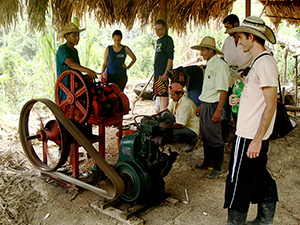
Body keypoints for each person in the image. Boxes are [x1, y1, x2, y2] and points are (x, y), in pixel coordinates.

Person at [223, 16, 278, 225]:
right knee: (257, 175)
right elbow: (258, 98)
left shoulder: (265, 63)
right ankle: (265, 220)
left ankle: (235, 222)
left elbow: (271, 104)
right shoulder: (258, 62)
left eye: (240, 37)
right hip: (250, 134)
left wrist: (257, 139)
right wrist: (239, 98)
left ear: (251, 37)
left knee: (238, 180)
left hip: (249, 136)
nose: (238, 41)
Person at [191, 36, 230, 179]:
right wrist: (202, 104)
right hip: (207, 104)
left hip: (214, 105)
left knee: (214, 137)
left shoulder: (220, 65)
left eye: (203, 50)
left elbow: (223, 90)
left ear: (211, 50)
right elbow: (209, 89)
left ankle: (218, 167)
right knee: (206, 135)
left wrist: (219, 109)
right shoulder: (210, 65)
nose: (201, 53)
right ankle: (208, 161)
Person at [221, 14, 253, 142]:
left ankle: (240, 133)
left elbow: (263, 54)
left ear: (235, 25)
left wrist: (249, 68)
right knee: (225, 104)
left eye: (228, 27)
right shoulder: (228, 41)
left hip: (242, 78)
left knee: (239, 106)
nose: (226, 31)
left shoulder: (246, 39)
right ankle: (225, 134)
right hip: (229, 77)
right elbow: (223, 57)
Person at [56, 23, 100, 99]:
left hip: (74, 86)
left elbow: (77, 68)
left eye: (78, 36)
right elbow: (72, 65)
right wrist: (87, 70)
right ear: (67, 36)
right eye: (74, 36)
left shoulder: (74, 51)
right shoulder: (62, 49)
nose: (77, 38)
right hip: (65, 88)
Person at [154, 83, 199, 153]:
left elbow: (179, 125)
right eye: (170, 94)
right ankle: (172, 136)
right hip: (181, 122)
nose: (171, 97)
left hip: (191, 128)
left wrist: (164, 128)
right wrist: (155, 115)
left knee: (172, 132)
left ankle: (191, 141)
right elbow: (167, 110)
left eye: (173, 95)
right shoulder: (176, 99)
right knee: (164, 114)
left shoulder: (185, 105)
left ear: (180, 94)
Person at [154, 19, 175, 111]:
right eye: (156, 29)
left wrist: (166, 72)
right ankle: (161, 114)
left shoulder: (168, 40)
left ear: (164, 29)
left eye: (160, 29)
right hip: (157, 72)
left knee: (164, 95)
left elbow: (170, 57)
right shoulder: (159, 41)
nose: (158, 32)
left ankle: (164, 114)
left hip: (163, 72)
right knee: (160, 95)